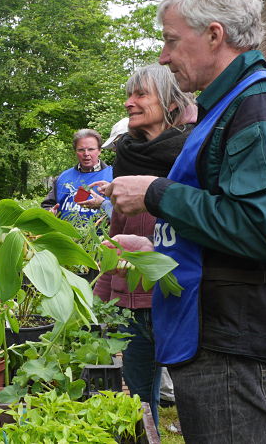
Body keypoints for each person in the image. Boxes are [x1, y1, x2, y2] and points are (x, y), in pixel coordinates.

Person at [99, 0, 266, 443]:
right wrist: (160, 242)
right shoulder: (231, 107)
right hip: (214, 335)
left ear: (215, 34)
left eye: (171, 41)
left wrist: (155, 194)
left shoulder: (262, 107)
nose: (164, 56)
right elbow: (226, 214)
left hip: (234, 341)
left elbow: (264, 229)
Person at [91, 64, 196, 428]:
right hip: (134, 303)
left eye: (140, 95)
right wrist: (101, 293)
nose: (128, 103)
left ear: (169, 102)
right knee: (138, 390)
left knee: (190, 387)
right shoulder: (126, 157)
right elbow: (116, 234)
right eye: (128, 94)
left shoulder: (192, 157)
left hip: (180, 296)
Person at [40, 129, 113, 222]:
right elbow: (47, 205)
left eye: (91, 149)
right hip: (66, 235)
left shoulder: (114, 176)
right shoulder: (63, 177)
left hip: (101, 235)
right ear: (75, 151)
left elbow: (124, 213)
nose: (86, 154)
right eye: (81, 150)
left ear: (99, 151)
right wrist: (49, 213)